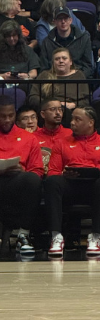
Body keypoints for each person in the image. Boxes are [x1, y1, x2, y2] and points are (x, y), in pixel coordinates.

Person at [45, 106, 100, 258]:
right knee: (52, 181)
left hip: (95, 189)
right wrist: (64, 174)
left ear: (90, 122)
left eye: (77, 119)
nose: (72, 123)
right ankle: (56, 236)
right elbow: (52, 171)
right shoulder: (61, 143)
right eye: (72, 119)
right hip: (70, 188)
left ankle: (95, 236)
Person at [0, 95, 44, 256]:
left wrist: (23, 172)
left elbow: (38, 170)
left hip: (18, 182)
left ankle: (23, 234)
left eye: (10, 115)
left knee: (32, 179)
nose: (7, 120)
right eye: (3, 116)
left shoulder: (29, 138)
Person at [39, 6, 93, 78]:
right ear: (55, 21)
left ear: (70, 20)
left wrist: (76, 77)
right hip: (54, 79)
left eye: (66, 18)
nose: (63, 21)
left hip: (77, 79)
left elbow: (88, 66)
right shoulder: (47, 42)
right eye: (60, 19)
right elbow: (44, 68)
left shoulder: (84, 39)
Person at [34, 99, 73, 174]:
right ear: (43, 114)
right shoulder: (33, 137)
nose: (58, 113)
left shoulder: (71, 134)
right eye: (53, 109)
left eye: (60, 109)